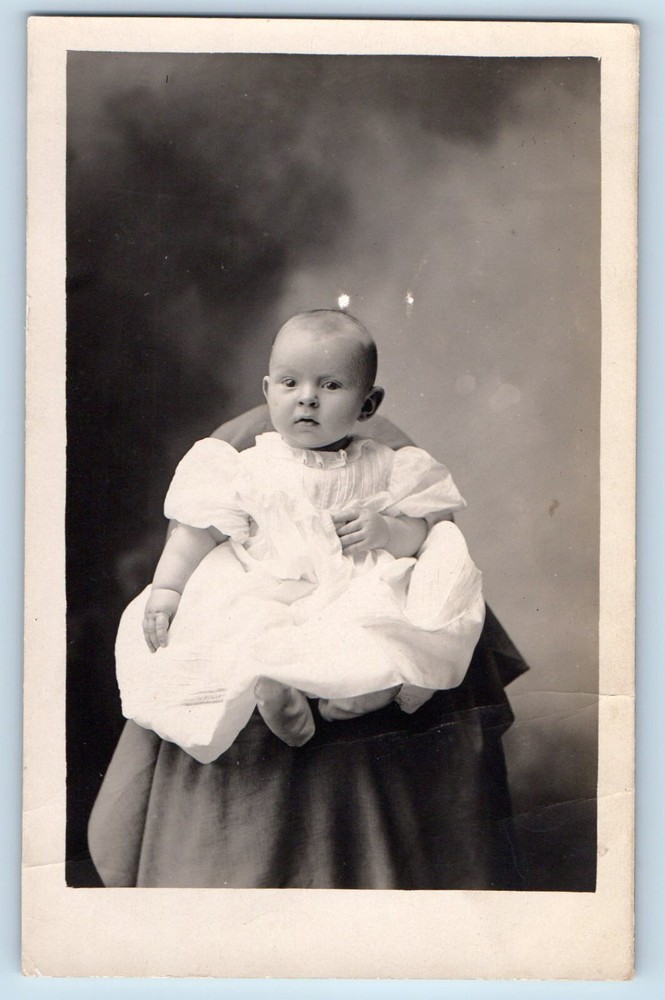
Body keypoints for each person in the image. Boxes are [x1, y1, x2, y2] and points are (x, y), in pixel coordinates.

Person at [114, 310, 485, 763]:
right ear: (268, 391)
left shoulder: (387, 467)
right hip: (269, 583)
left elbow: (423, 535)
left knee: (377, 621)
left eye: (330, 386)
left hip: (349, 586)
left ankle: (353, 696)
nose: (307, 398)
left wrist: (387, 530)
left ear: (367, 405)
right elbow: (197, 533)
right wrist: (168, 590)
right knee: (247, 624)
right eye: (290, 383)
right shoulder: (246, 468)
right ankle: (285, 699)